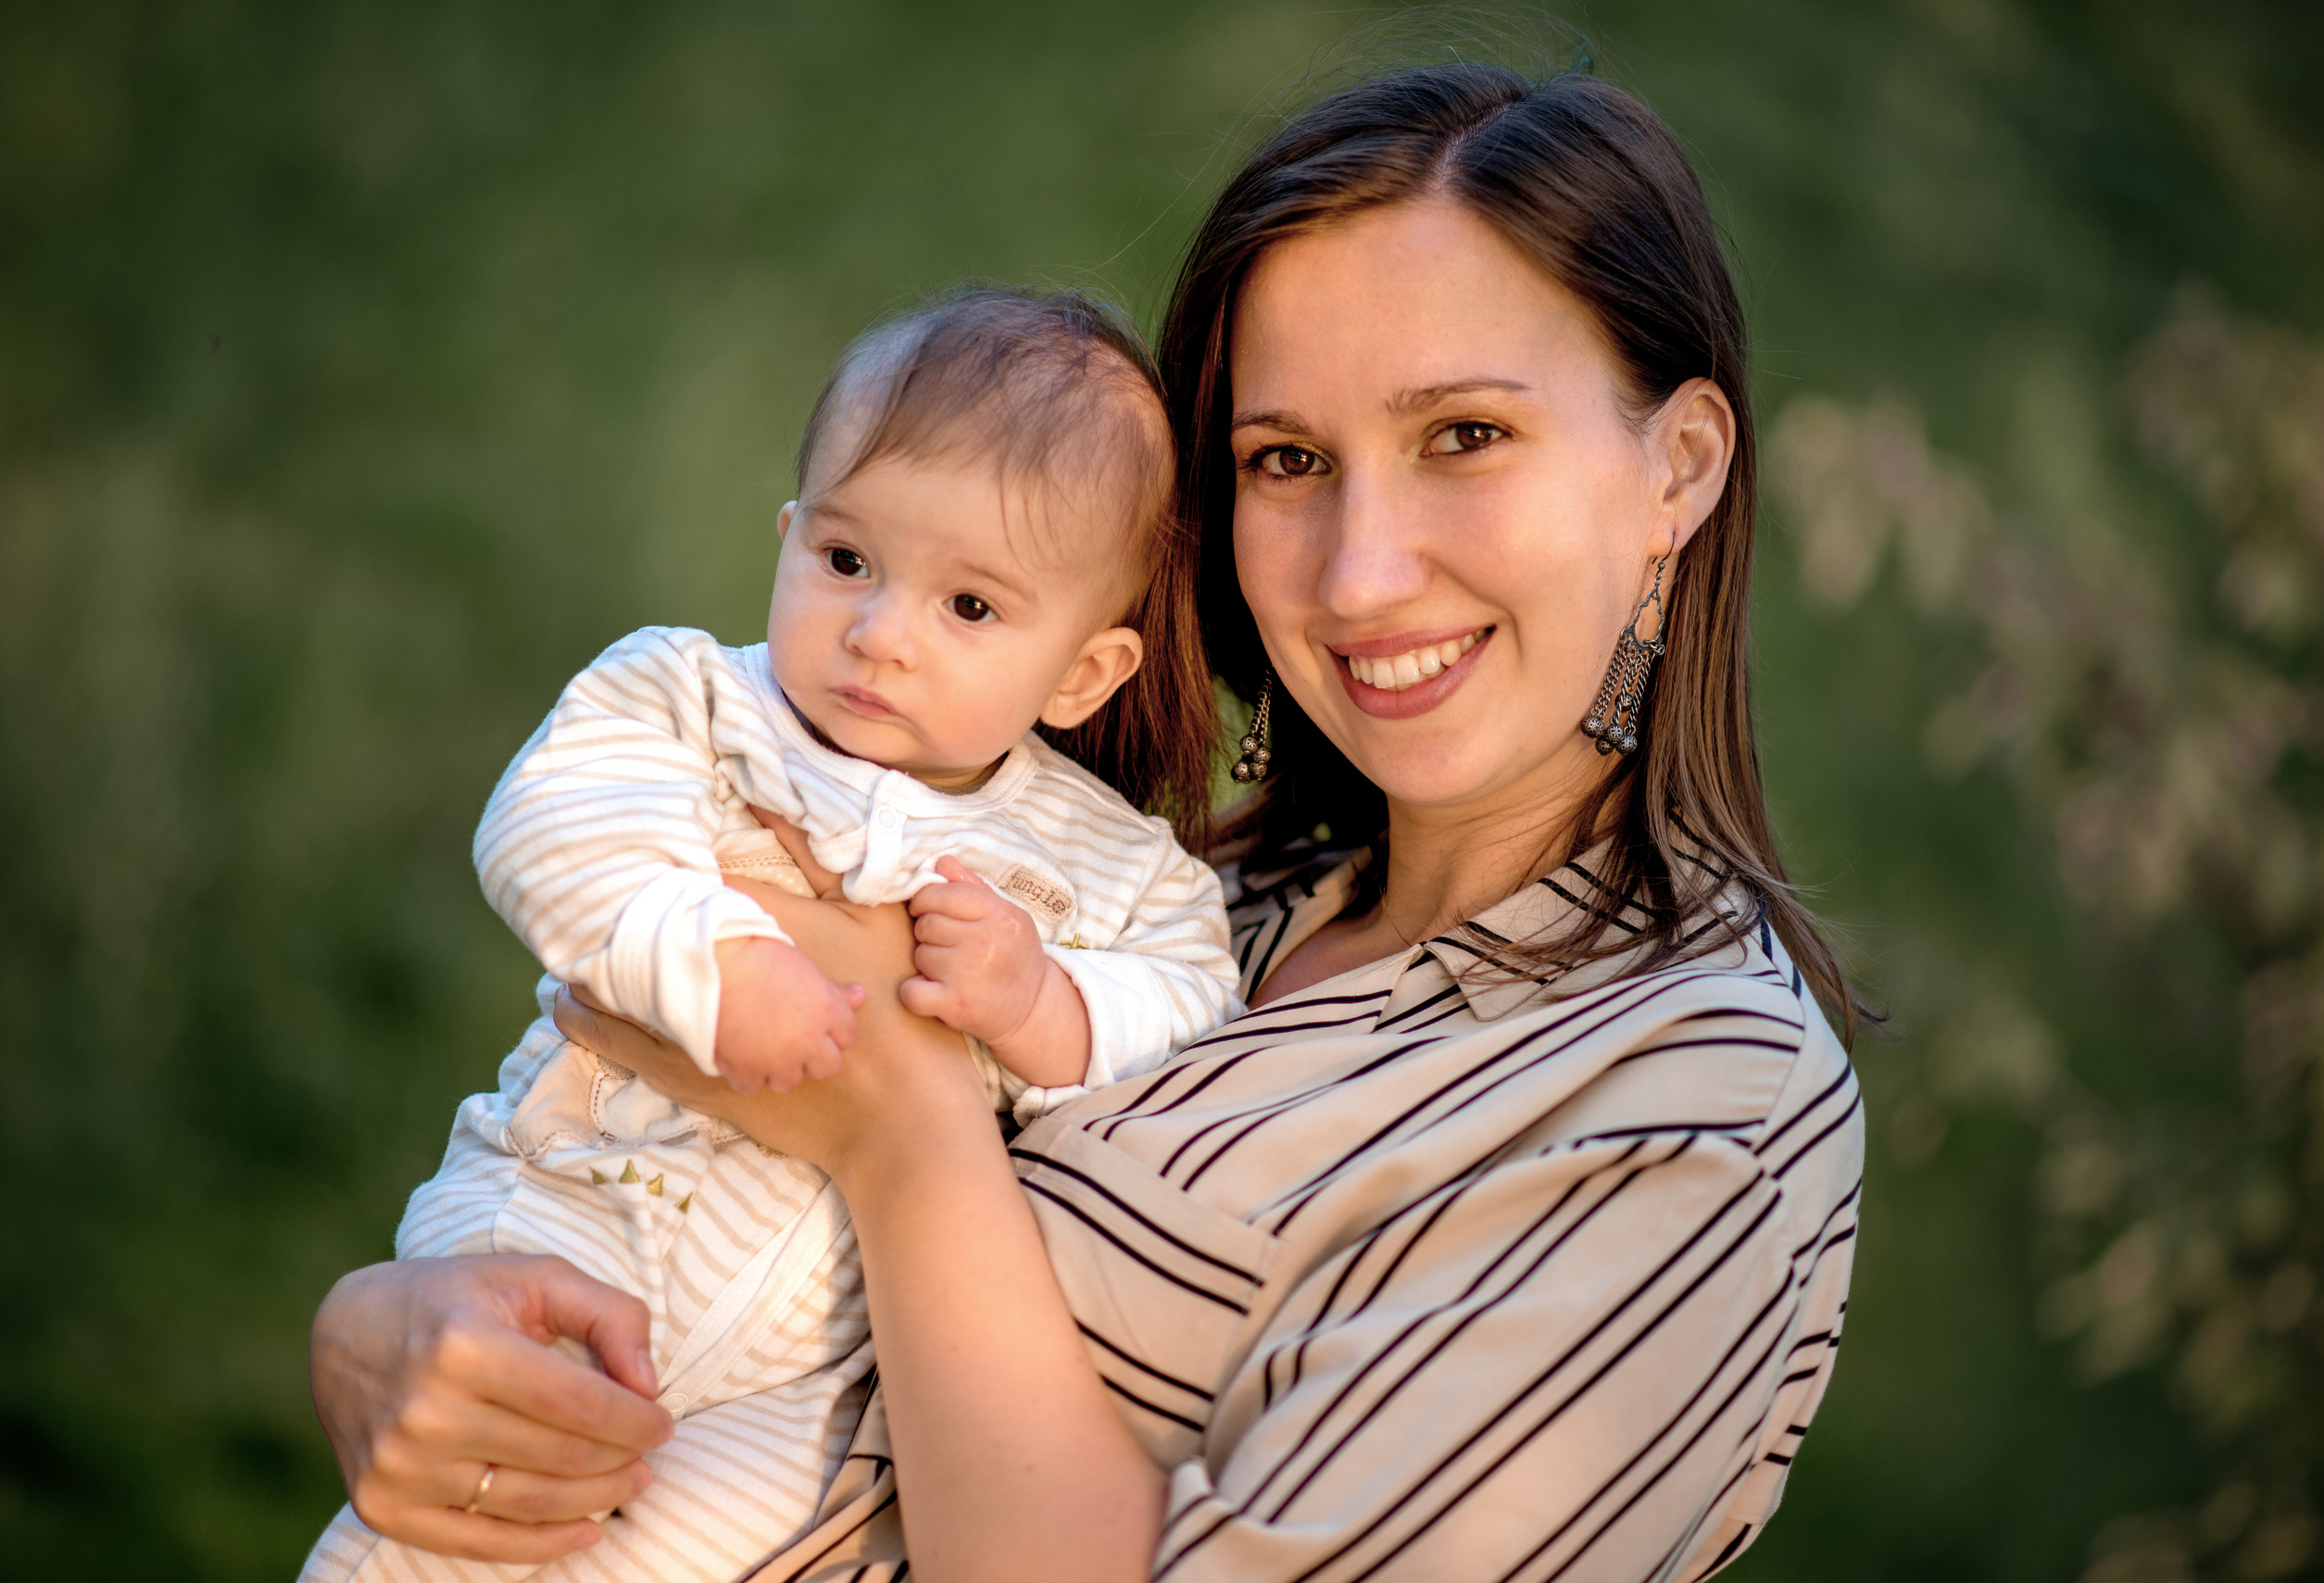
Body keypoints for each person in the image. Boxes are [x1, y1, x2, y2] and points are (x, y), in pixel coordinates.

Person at [305, 62, 1868, 1583]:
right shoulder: (1216, 891)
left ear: (1679, 467)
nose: (1359, 570)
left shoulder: (1693, 1103)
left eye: (1464, 435)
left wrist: (902, 1128)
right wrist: (387, 1340)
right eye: (1287, 460)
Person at [300, 289, 1239, 1582]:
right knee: (475, 1508)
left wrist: (1043, 1001)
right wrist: (717, 959)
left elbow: (1195, 998)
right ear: (789, 534)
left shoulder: (1111, 862)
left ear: (1083, 672)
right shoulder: (690, 698)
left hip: (810, 1358)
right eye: (849, 561)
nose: (880, 635)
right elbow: (552, 823)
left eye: (970, 608)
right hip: (581, 1207)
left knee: (693, 1547)